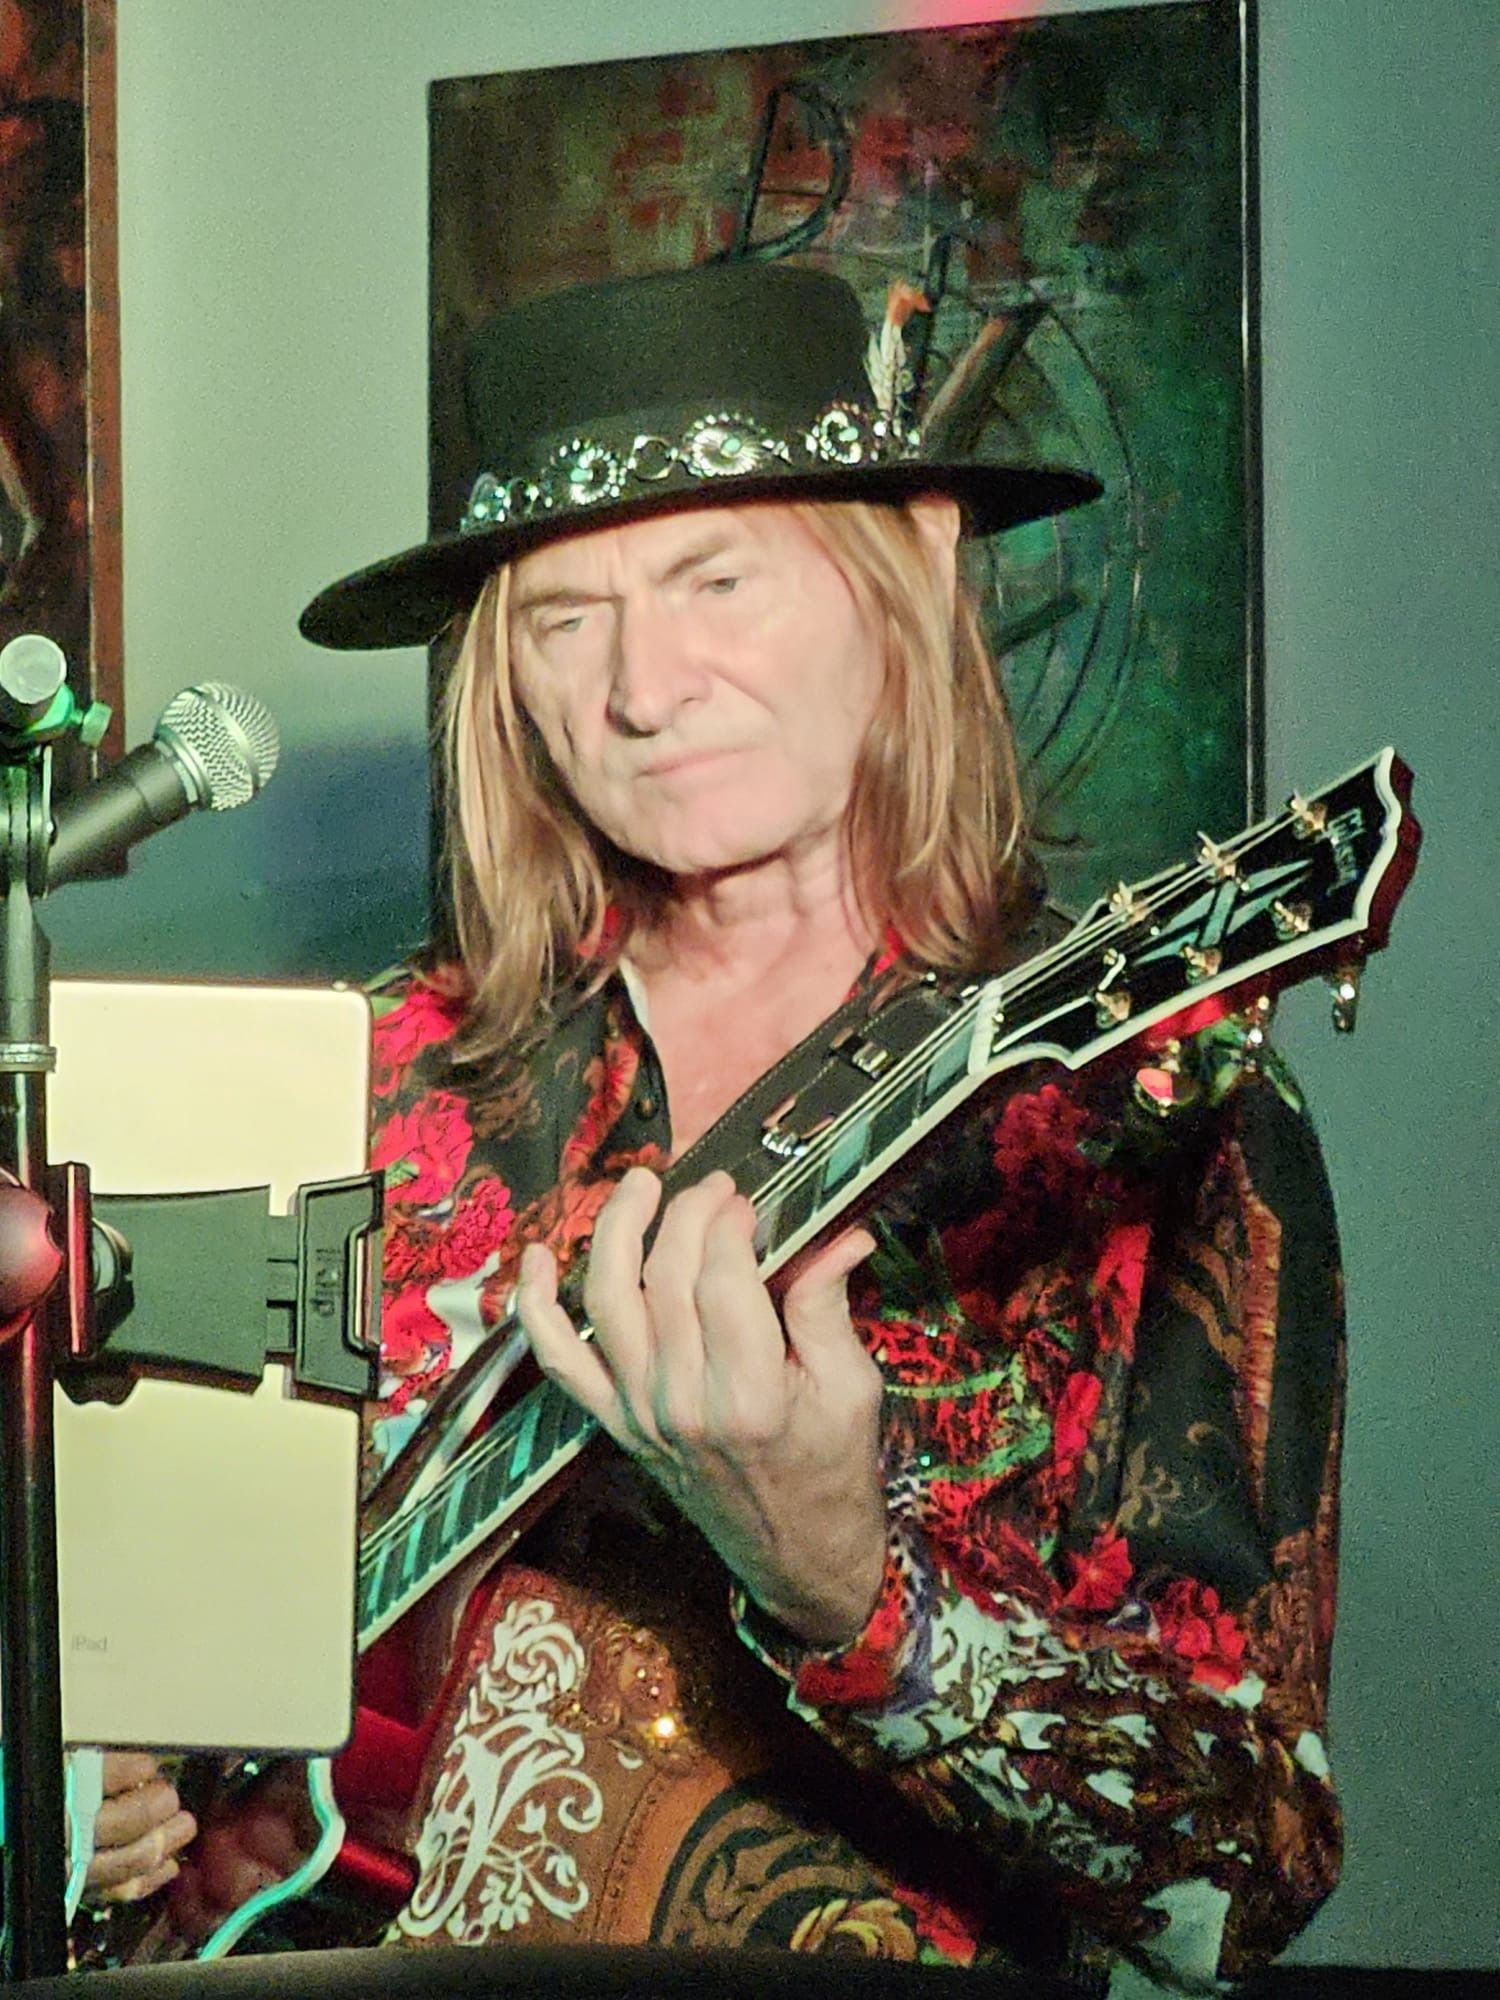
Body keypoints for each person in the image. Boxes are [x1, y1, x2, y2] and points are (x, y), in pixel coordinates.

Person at [87, 261, 1344, 1993]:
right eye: (560, 618)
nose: (641, 688)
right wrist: (86, 1778)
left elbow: (1243, 1876)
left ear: (899, 571)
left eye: (716, 576)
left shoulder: (1149, 1114)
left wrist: (853, 1583)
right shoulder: (375, 1073)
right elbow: (125, 1587)